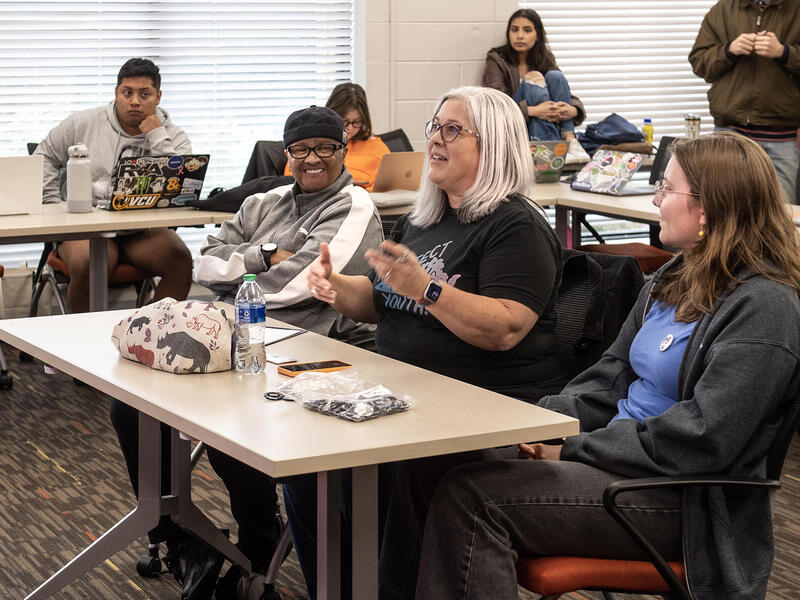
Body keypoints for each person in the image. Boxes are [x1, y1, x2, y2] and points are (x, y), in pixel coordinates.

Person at [379, 132, 800, 600]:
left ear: (710, 207)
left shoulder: (764, 306)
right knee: (429, 468)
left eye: (667, 189)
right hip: (621, 466)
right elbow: (610, 374)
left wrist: (576, 448)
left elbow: (703, 438)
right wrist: (539, 424)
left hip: (684, 500)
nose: (657, 200)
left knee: (473, 499)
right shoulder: (674, 277)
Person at [283, 85, 567, 599]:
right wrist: (336, 288)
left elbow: (505, 326)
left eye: (453, 130)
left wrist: (427, 288)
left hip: (476, 405)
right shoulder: (424, 218)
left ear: (495, 144)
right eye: (434, 127)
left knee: (372, 471)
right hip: (404, 391)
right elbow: (382, 301)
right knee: (309, 469)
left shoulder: (515, 224)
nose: (435, 139)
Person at [111, 106, 383, 600]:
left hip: (310, 348)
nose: (312, 159)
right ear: (287, 155)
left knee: (228, 419)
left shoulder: (353, 205)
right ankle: (176, 540)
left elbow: (305, 282)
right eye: (300, 149)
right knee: (130, 404)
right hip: (232, 338)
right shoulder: (265, 201)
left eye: (325, 147)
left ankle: (256, 541)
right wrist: (261, 256)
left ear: (343, 151)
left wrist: (246, 271)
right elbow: (204, 264)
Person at [34, 57, 193, 312]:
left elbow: (182, 185)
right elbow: (43, 157)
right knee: (90, 263)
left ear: (158, 96)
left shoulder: (173, 135)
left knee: (181, 261)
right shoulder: (84, 122)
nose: (135, 101)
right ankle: (81, 347)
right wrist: (53, 204)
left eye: (145, 94)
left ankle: (146, 332)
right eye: (127, 93)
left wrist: (156, 134)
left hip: (141, 230)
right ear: (116, 93)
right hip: (86, 228)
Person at [689, 0, 800, 203]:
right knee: (724, 210)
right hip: (729, 136)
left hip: (782, 140)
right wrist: (728, 50)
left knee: (783, 216)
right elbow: (699, 63)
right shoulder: (723, 9)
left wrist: (784, 53)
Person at [483, 8, 585, 141]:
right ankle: (547, 144)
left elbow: (566, 94)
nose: (519, 35)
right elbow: (496, 105)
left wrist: (573, 111)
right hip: (514, 126)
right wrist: (533, 111)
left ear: (537, 35)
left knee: (556, 76)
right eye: (515, 30)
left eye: (527, 30)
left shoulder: (544, 58)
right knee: (534, 78)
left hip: (547, 122)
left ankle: (569, 137)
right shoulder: (497, 59)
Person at [285, 82, 390, 191]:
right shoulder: (307, 142)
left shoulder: (376, 147)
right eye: (344, 122)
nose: (350, 128)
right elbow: (293, 179)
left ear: (344, 153)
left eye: (357, 122)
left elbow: (387, 185)